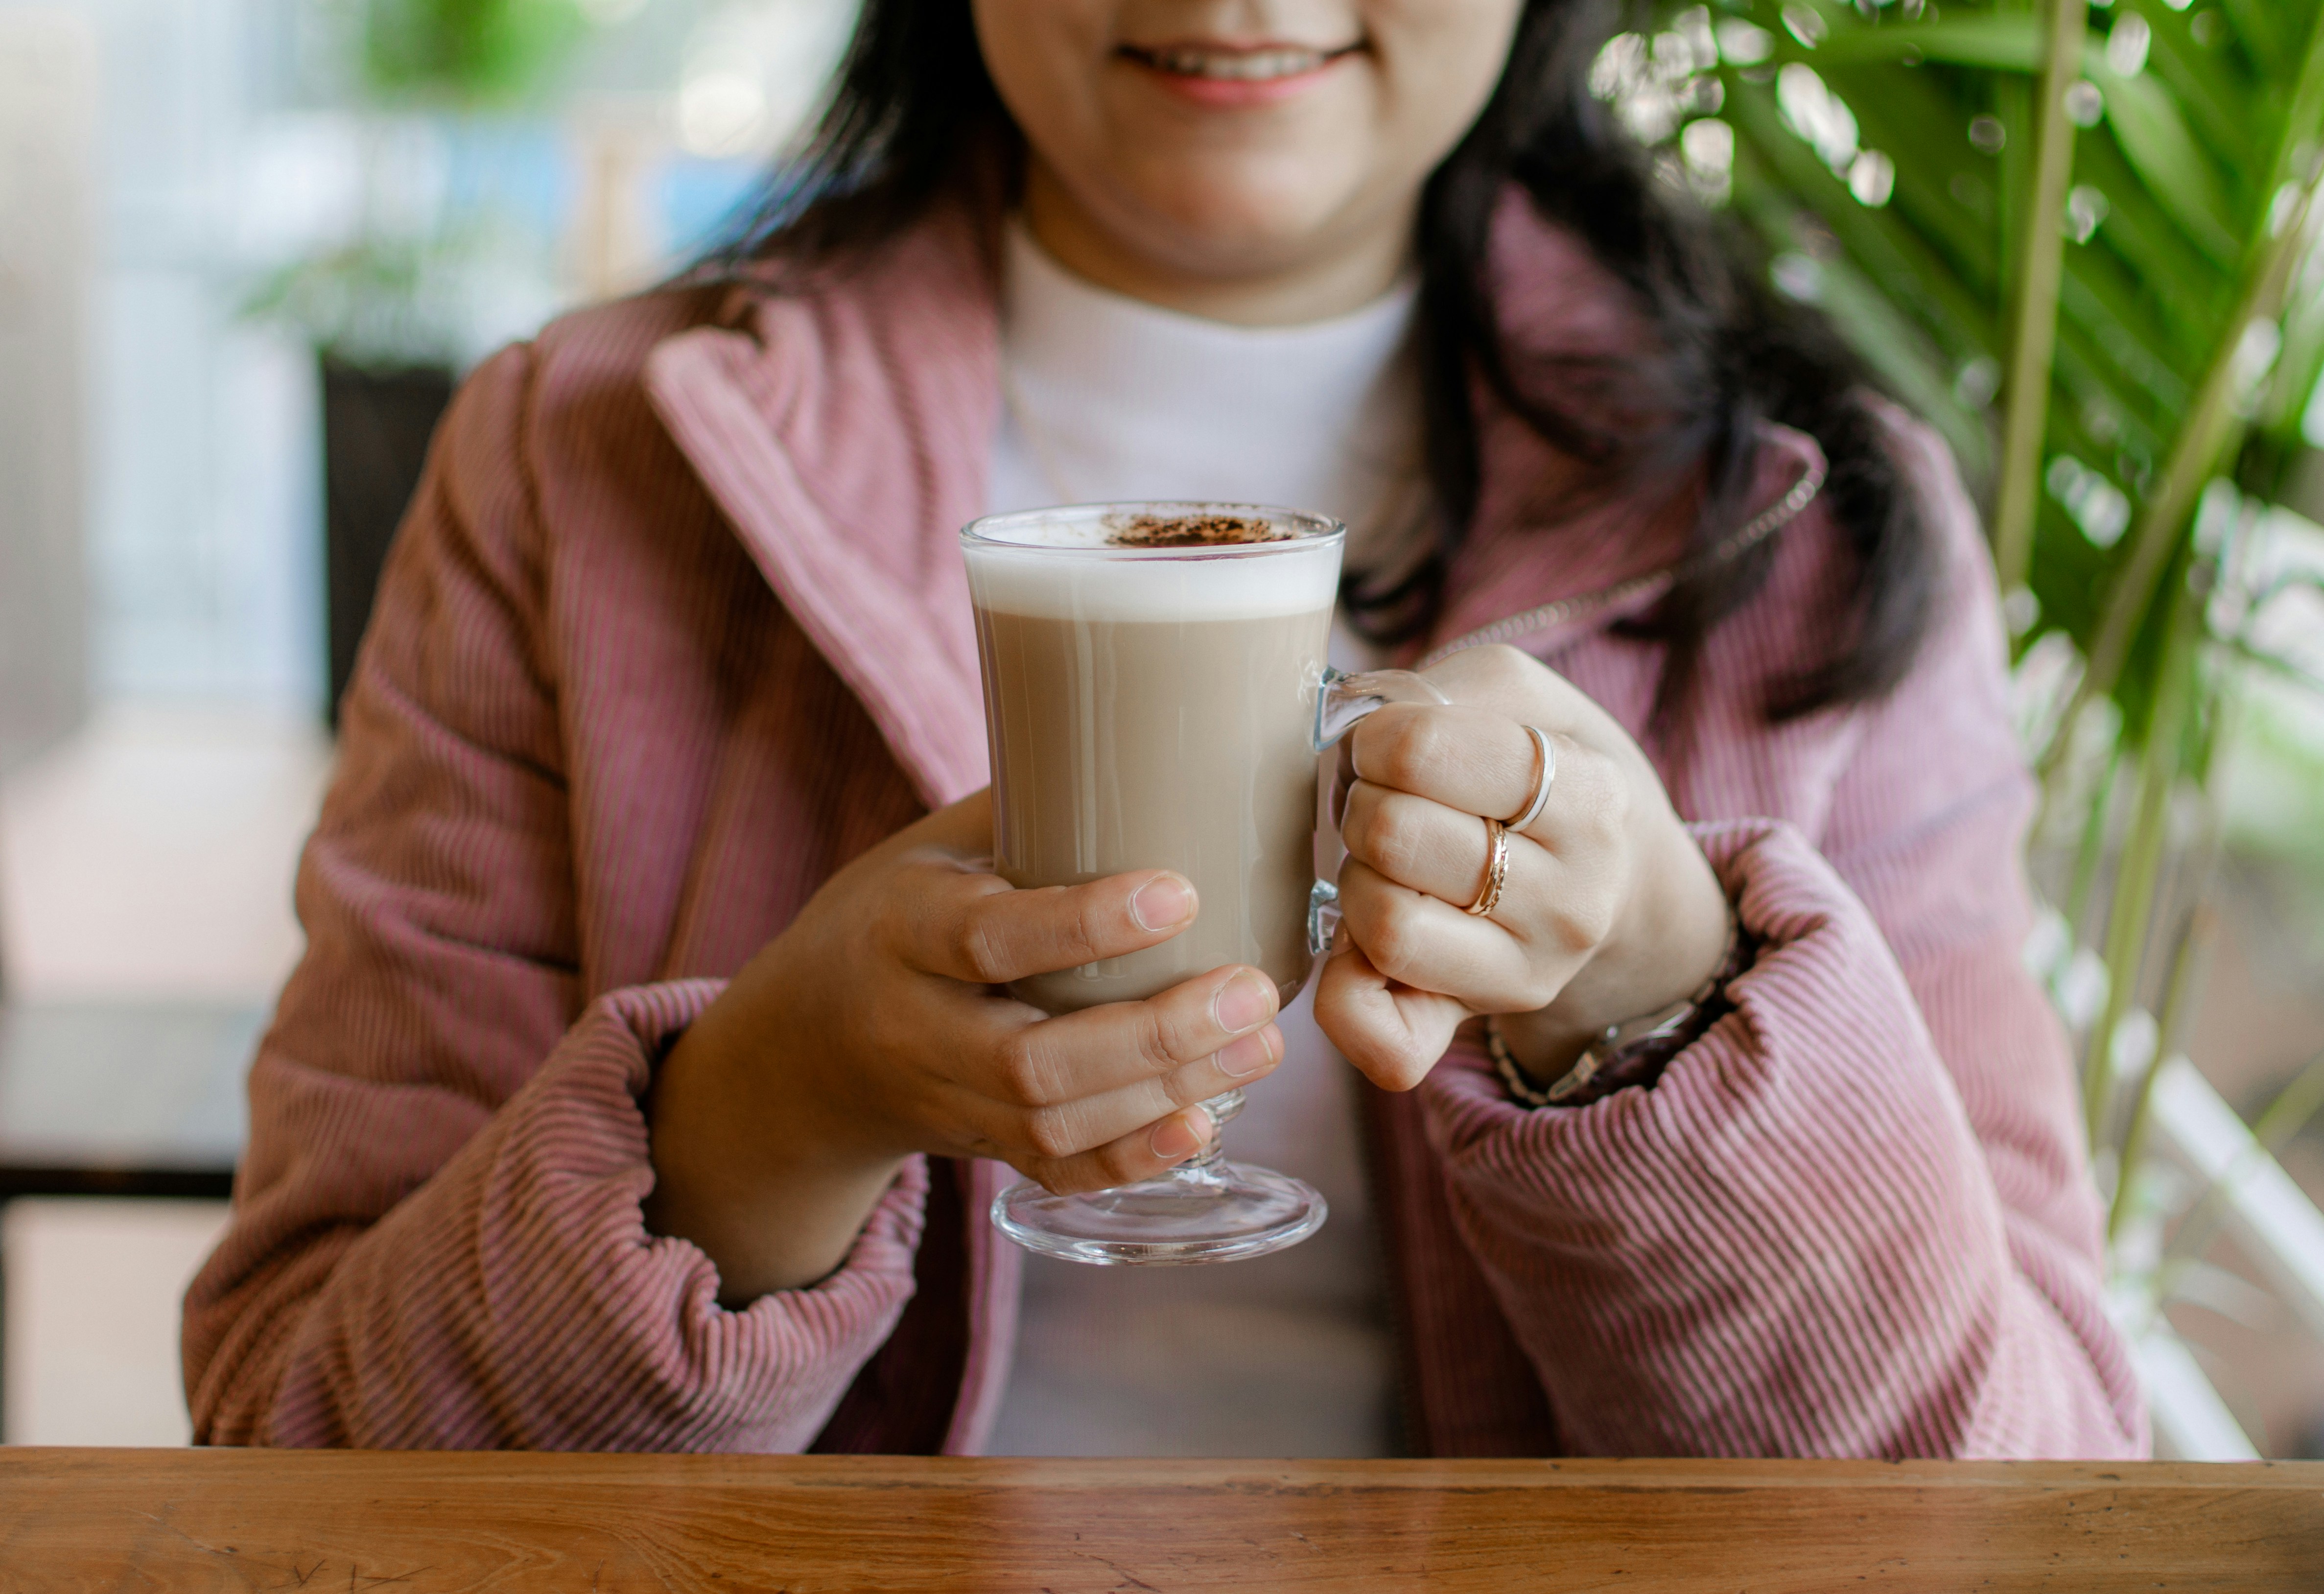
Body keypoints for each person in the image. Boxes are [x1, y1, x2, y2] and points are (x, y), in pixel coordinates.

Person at [183, 0, 2145, 1458]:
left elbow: (2016, 1506)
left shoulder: (1803, 517)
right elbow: (299, 1445)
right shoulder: (579, 464)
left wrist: (1663, 995)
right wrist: (767, 1107)